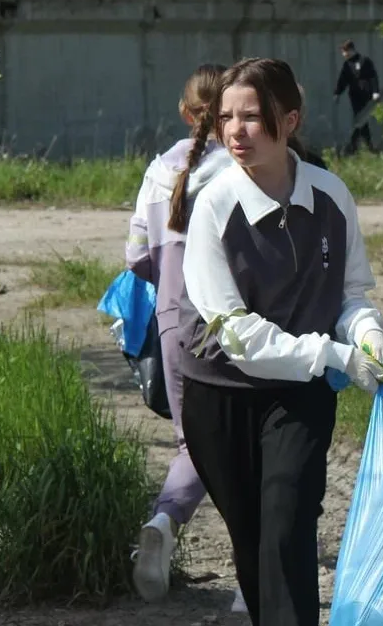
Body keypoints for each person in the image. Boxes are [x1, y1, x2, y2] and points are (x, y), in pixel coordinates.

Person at [178, 56, 383, 626]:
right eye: (226, 117)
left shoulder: (330, 195)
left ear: (290, 120)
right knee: (252, 540)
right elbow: (236, 334)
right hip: (219, 391)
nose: (235, 131)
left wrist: (366, 332)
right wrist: (335, 353)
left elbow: (350, 292)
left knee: (288, 522)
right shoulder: (214, 206)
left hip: (298, 391)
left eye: (252, 116)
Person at [125, 63, 248, 612]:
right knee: (245, 447)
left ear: (183, 111)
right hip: (233, 323)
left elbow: (136, 257)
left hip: (173, 322)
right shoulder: (242, 169)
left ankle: (163, 520)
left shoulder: (159, 170)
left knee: (193, 443)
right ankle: (254, 581)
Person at [333, 39, 380, 155]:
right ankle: (362, 147)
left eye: (344, 52)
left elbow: (373, 77)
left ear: (350, 50)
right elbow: (342, 80)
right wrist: (337, 93)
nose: (344, 55)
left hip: (366, 95)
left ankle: (354, 147)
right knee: (360, 120)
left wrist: (375, 92)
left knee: (361, 120)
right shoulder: (347, 65)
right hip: (354, 96)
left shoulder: (365, 61)